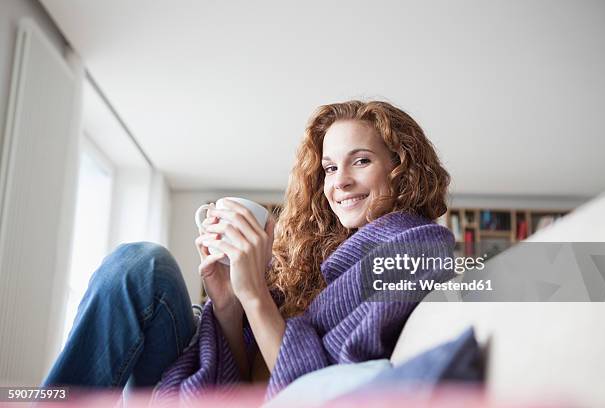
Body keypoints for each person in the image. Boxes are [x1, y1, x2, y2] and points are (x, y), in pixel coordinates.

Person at [43, 100, 454, 401]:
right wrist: (228, 301)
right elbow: (246, 374)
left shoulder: (416, 249)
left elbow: (308, 387)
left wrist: (255, 292)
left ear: (403, 168)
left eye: (360, 161)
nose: (339, 182)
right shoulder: (326, 257)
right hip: (216, 382)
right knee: (141, 263)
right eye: (329, 168)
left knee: (144, 267)